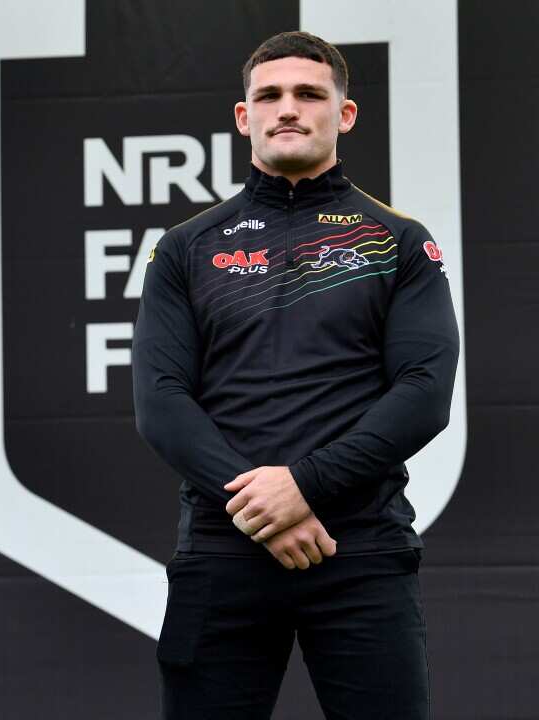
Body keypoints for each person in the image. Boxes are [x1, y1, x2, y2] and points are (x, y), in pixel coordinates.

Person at [132, 32, 458, 719]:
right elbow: (160, 404)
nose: (289, 108)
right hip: (222, 553)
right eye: (269, 95)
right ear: (244, 118)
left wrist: (303, 486)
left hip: (360, 550)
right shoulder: (184, 247)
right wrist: (264, 510)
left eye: (309, 94)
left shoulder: (396, 240)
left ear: (344, 114)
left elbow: (425, 395)